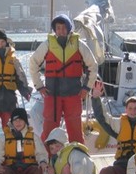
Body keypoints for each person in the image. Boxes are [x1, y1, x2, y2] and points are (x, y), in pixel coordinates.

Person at [29, 14, 98, 145]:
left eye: (63, 27)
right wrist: (39, 86)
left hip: (73, 94)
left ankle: (77, 157)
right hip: (52, 95)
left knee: (75, 131)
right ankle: (46, 159)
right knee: (49, 130)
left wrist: (86, 87)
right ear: (54, 29)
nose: (60, 30)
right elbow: (33, 63)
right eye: (58, 28)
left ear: (68, 28)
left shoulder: (79, 44)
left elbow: (93, 66)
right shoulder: (47, 44)